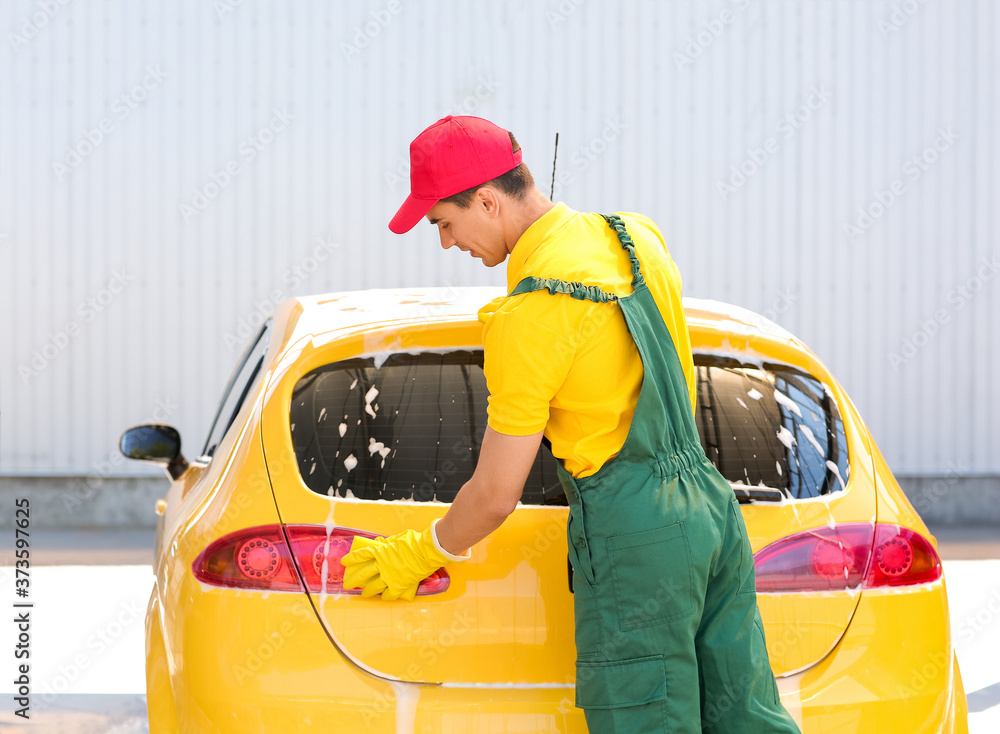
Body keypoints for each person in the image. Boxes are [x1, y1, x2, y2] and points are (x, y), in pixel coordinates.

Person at [341, 115, 801, 733]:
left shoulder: (531, 314)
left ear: (485, 201)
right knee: (748, 720)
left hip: (638, 540)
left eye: (444, 224)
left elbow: (497, 494)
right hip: (710, 511)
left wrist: (423, 550)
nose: (447, 243)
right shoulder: (636, 236)